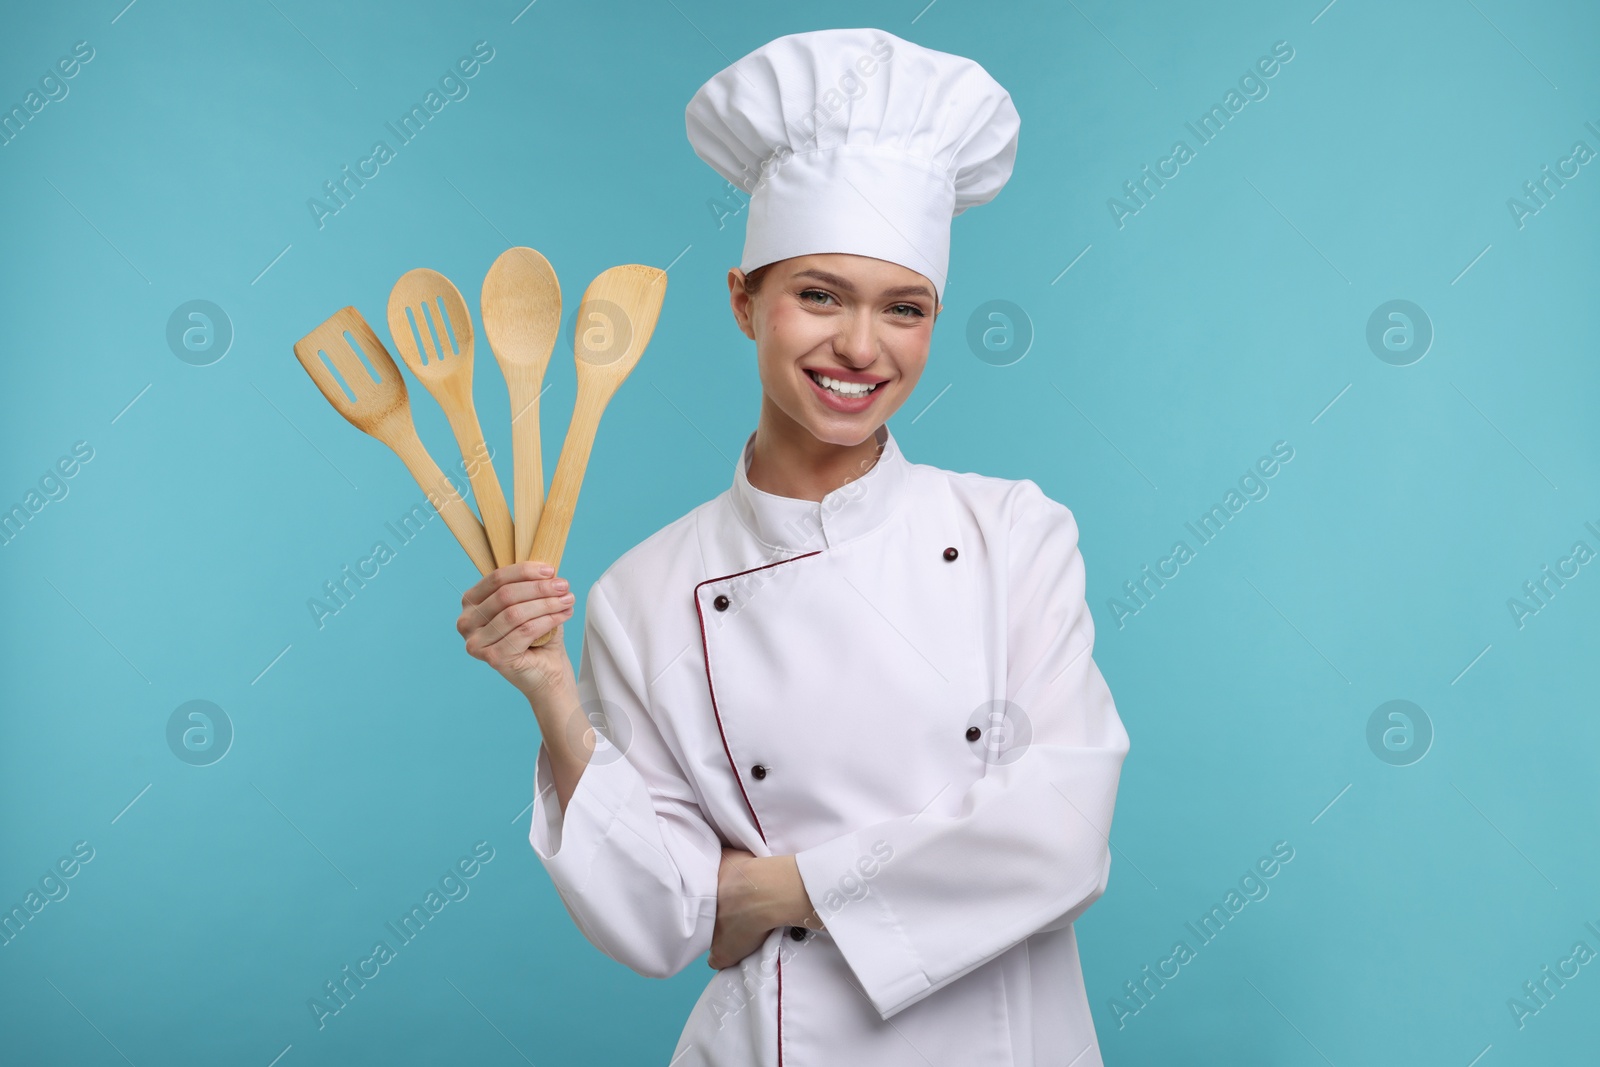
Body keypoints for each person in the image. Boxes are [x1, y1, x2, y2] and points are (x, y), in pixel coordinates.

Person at [455, 26, 1130, 1066]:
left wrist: (775, 887)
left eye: (903, 309)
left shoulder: (1012, 533)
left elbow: (1059, 830)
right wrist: (552, 695)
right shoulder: (646, 590)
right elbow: (660, 919)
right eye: (819, 294)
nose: (861, 347)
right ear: (743, 302)